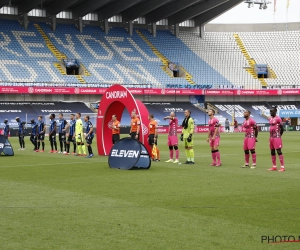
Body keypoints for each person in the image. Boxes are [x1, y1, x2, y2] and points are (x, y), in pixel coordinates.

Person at [268, 106, 285, 172]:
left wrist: (279, 136)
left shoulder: (278, 119)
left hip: (277, 137)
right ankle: (274, 166)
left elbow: (282, 128)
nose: (270, 112)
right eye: (270, 111)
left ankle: (282, 167)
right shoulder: (270, 119)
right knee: (272, 151)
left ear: (275, 111)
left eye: (272, 111)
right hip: (271, 137)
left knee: (279, 151)